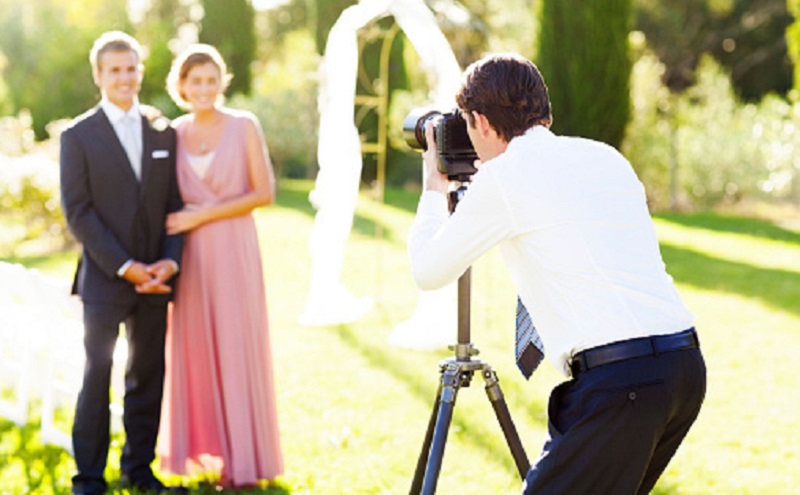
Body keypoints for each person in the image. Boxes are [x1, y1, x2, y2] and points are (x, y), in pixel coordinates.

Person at [407, 52, 707, 494]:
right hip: (683, 368)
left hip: (621, 382)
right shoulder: (604, 157)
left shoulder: (505, 179)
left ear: (484, 124)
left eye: (469, 125)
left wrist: (435, 190)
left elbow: (428, 271)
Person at [59, 31, 185, 494]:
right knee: (96, 379)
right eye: (114, 70)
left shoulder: (162, 130)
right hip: (105, 282)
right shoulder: (78, 135)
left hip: (156, 279)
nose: (124, 78)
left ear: (140, 71)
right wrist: (126, 266)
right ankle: (89, 478)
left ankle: (139, 470)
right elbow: (78, 212)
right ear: (99, 76)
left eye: (131, 68)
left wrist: (168, 263)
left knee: (147, 377)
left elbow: (174, 201)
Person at [156, 43, 284, 488]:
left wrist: (201, 214)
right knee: (194, 351)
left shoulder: (244, 126)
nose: (205, 89)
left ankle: (243, 460)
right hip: (188, 258)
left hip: (233, 250)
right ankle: (201, 451)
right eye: (196, 81)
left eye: (212, 80)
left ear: (222, 82)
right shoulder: (172, 132)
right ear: (181, 86)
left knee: (234, 346)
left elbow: (264, 192)